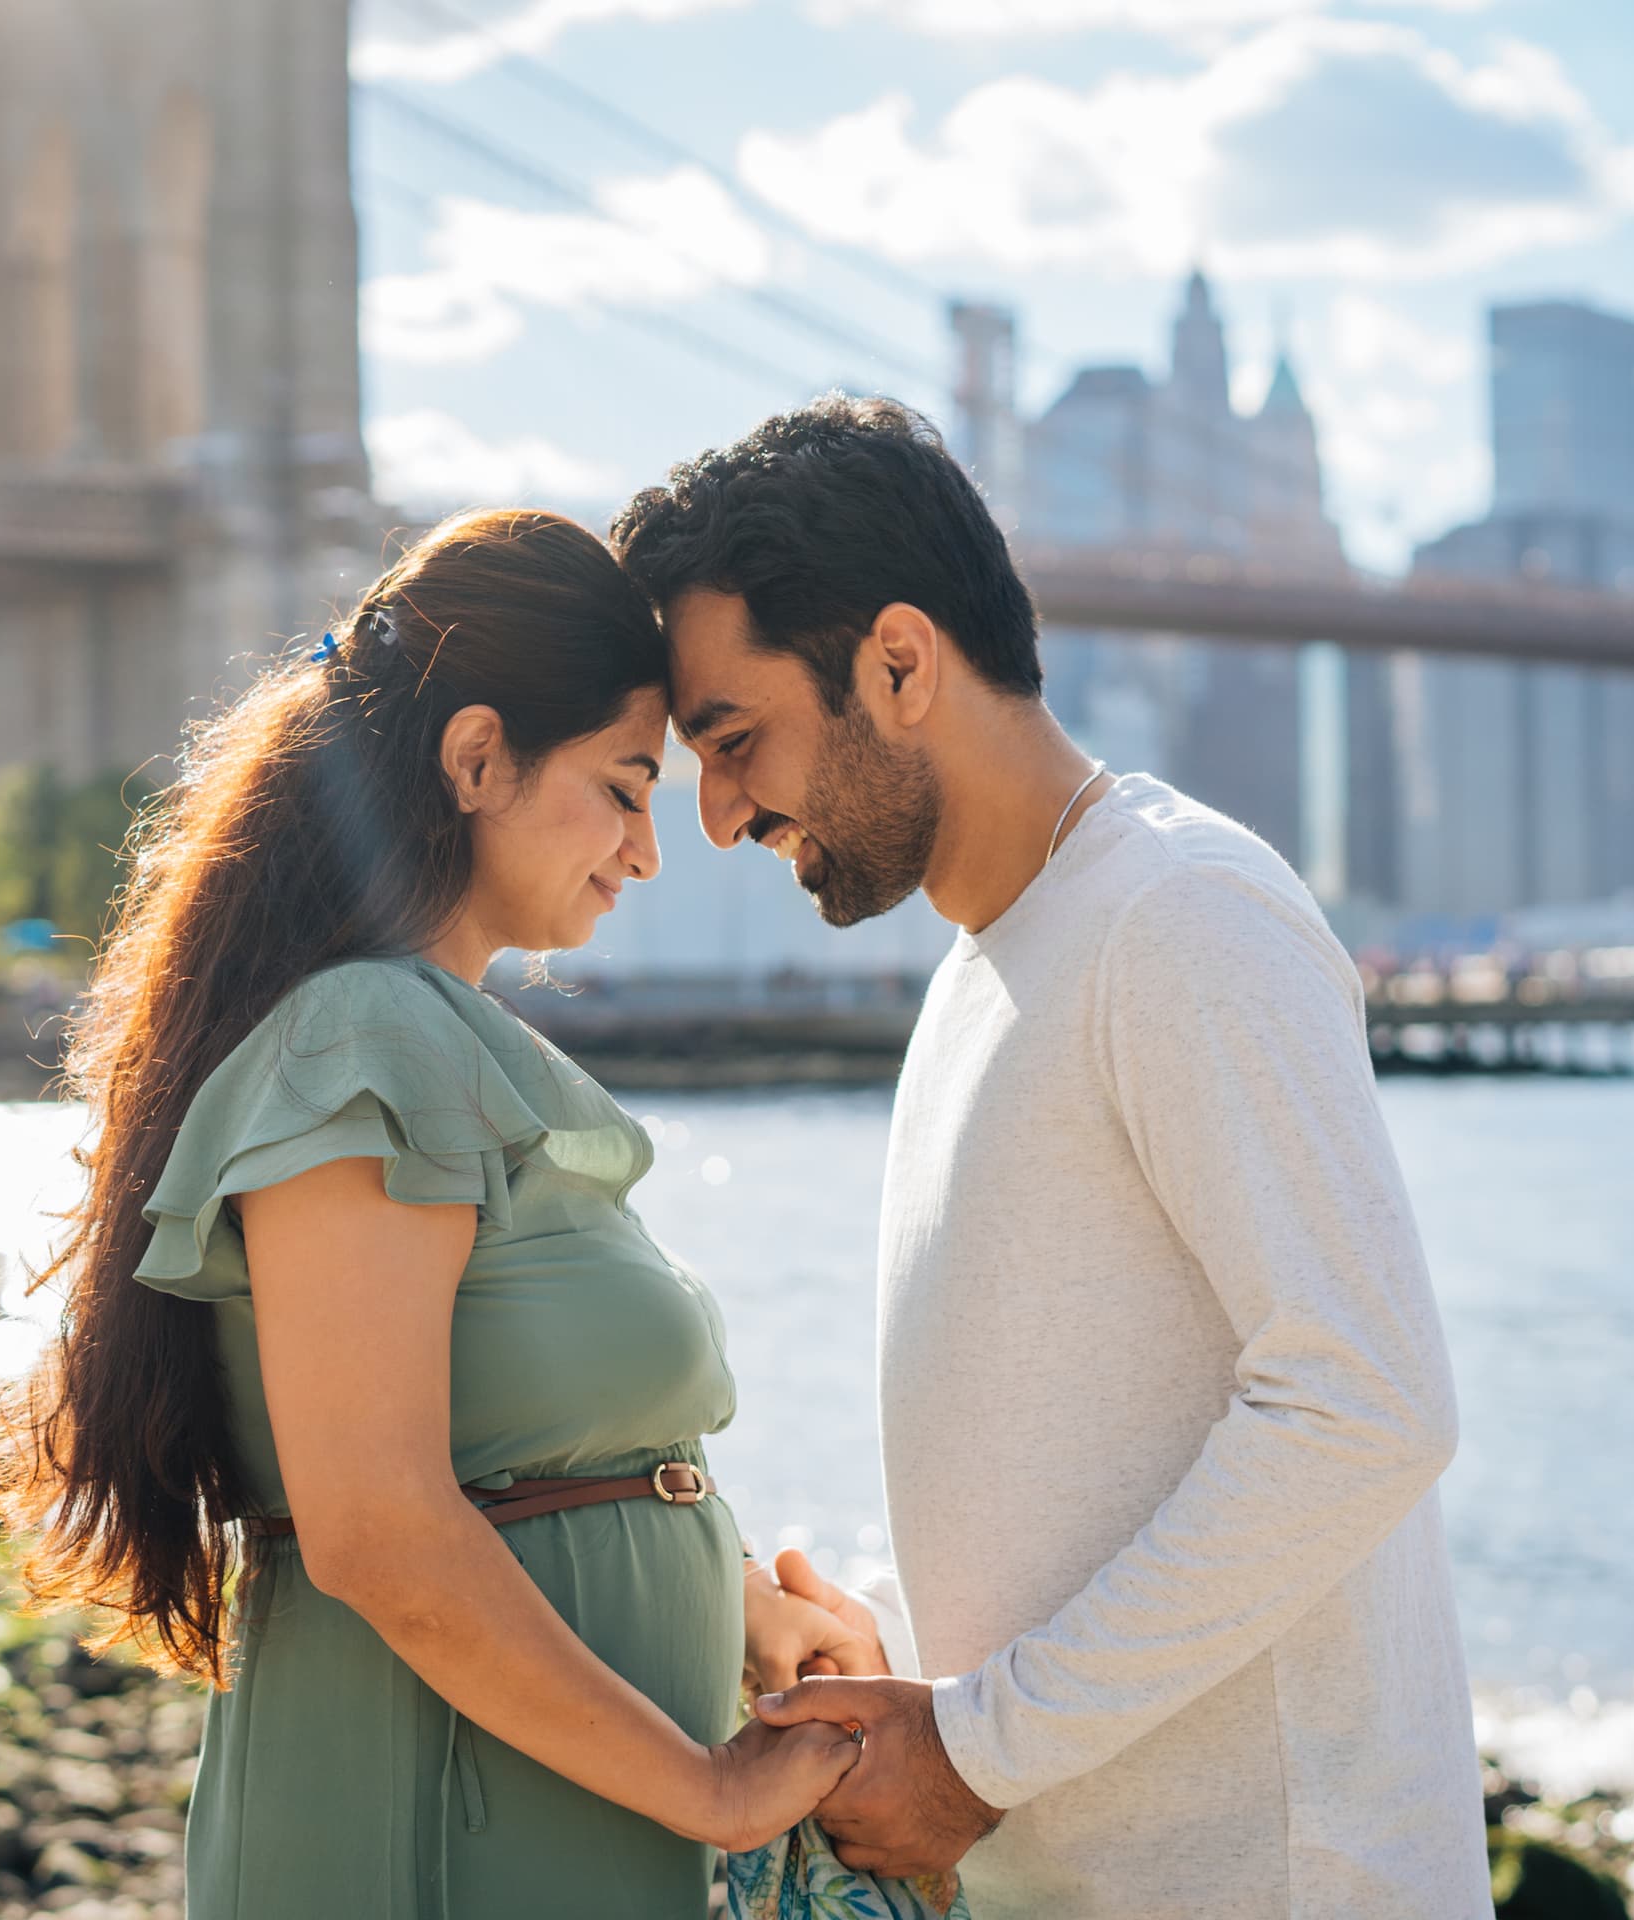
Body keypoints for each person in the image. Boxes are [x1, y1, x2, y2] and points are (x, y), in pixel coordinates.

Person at [612, 397, 1494, 1920]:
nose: (719, 812)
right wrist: (911, 1665)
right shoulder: (981, 975)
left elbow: (1367, 1401)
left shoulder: (1181, 913)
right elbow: (1089, 1457)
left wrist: (975, 1745)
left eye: (735, 740)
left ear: (899, 663)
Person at [0, 509, 881, 1920]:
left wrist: (744, 1604)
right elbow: (381, 1526)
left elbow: (517, 1444)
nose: (647, 851)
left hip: (535, 1820)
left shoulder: (433, 1038)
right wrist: (716, 1790)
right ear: (475, 758)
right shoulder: (365, 1041)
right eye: (626, 786)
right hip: (441, 1832)